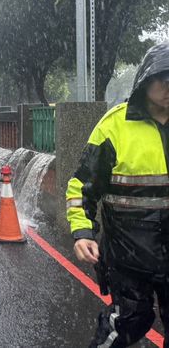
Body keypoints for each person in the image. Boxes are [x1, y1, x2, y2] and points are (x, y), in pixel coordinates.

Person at [67, 41, 169, 348]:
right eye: (162, 77)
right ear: (144, 80)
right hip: (127, 256)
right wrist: (82, 232)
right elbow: (81, 185)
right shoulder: (115, 125)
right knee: (130, 321)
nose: (168, 86)